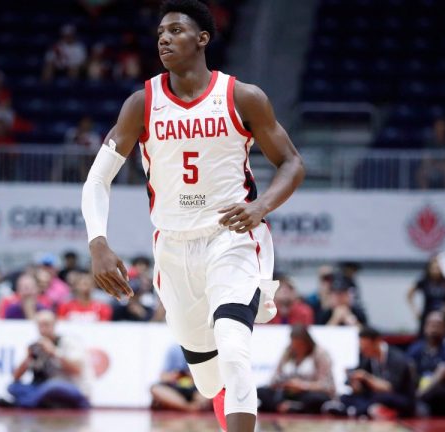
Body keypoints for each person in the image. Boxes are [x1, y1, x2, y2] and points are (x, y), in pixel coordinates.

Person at [81, 1, 305, 430]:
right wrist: (98, 242)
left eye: (176, 30)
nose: (164, 39)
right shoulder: (141, 103)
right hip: (173, 247)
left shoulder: (242, 96)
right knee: (209, 380)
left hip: (231, 237)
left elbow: (292, 162)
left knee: (234, 348)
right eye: (160, 32)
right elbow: (97, 180)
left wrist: (260, 207)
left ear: (202, 39)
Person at [323, 327, 415, 419]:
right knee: (345, 397)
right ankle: (364, 410)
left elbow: (389, 387)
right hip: (374, 397)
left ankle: (354, 411)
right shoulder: (367, 357)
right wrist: (354, 382)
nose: (363, 351)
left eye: (366, 348)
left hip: (398, 396)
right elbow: (360, 389)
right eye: (361, 347)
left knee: (380, 397)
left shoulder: (397, 358)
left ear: (377, 342)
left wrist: (366, 377)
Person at [5, 311, 91, 409]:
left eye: (46, 324)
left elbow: (77, 370)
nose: (43, 329)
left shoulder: (69, 342)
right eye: (40, 325)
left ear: (54, 324)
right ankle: (41, 402)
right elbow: (15, 377)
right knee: (13, 387)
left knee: (52, 386)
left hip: (71, 387)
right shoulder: (37, 346)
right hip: (45, 388)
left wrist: (53, 352)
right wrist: (28, 357)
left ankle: (22, 403)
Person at [256, 325, 334, 414]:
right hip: (287, 393)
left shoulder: (320, 353)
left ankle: (292, 407)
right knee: (261, 391)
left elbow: (326, 385)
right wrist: (283, 384)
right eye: (294, 344)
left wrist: (302, 386)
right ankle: (287, 407)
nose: (296, 347)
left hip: (308, 393)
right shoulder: (288, 352)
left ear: (307, 343)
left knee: (315, 399)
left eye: (300, 344)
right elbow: (275, 377)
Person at [406, 311, 445, 417]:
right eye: (431, 324)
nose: (434, 328)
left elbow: (440, 376)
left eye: (438, 325)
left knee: (438, 392)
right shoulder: (416, 348)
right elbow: (409, 369)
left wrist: (418, 395)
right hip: (418, 389)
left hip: (440, 396)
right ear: (425, 327)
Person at [406, 254, 445, 335]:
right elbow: (409, 294)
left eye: (438, 268)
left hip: (444, 318)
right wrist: (415, 311)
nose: (435, 271)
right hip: (427, 317)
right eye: (433, 268)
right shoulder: (424, 281)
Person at [150, 344, 211, 412]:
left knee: (212, 389)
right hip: (175, 390)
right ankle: (189, 407)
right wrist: (175, 376)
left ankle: (190, 406)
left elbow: (207, 378)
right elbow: (163, 376)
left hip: (196, 389)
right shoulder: (173, 350)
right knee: (155, 389)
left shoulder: (202, 349)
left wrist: (192, 376)